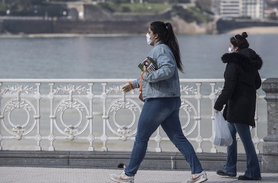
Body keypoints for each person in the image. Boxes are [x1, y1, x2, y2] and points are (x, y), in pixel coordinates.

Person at [109, 21, 207, 183]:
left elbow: (166, 70)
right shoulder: (163, 49)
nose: (147, 35)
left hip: (159, 101)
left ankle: (128, 175)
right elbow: (152, 73)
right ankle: (198, 172)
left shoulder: (160, 49)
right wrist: (133, 84)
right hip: (170, 100)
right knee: (178, 138)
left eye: (149, 32)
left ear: (156, 35)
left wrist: (146, 77)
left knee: (141, 137)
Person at [214, 32, 262, 181]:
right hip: (246, 103)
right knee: (231, 137)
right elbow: (257, 83)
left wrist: (218, 104)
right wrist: (246, 89)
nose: (229, 48)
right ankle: (230, 168)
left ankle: (253, 172)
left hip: (237, 105)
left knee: (246, 140)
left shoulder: (233, 63)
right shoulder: (251, 62)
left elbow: (229, 86)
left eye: (230, 45)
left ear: (235, 48)